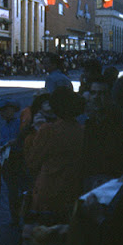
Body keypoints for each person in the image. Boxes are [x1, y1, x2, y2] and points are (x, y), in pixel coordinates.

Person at [25, 86, 85, 223]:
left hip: (48, 190)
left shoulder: (48, 130)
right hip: (72, 190)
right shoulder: (82, 131)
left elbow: (32, 162)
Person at [0, 98, 26, 226]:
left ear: (12, 110)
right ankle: (15, 217)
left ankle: (22, 215)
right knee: (12, 191)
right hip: (8, 161)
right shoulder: (5, 126)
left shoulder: (19, 124)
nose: (1, 113)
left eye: (4, 110)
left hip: (18, 158)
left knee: (19, 189)